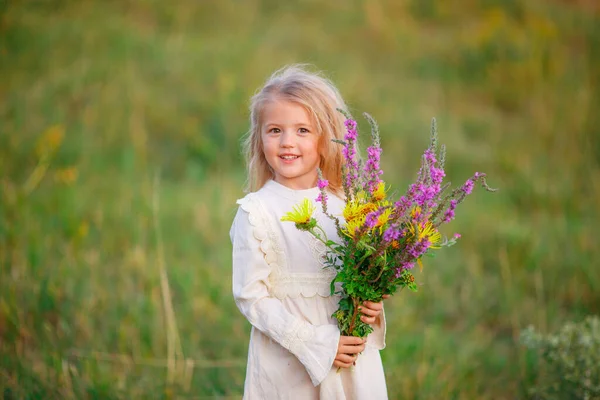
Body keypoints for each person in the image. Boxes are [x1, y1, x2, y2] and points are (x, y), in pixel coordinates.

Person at [230, 65, 388, 399]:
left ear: (326, 137)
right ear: (260, 138)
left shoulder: (350, 207)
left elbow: (362, 277)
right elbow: (251, 297)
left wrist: (371, 302)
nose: (287, 142)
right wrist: (314, 343)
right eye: (274, 130)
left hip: (352, 360)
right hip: (289, 366)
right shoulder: (257, 212)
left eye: (303, 130)